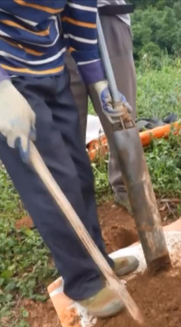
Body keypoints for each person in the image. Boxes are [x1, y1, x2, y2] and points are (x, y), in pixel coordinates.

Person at [0, 0, 138, 317]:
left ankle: (98, 260)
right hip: (2, 68)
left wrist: (96, 78)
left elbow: (81, 8)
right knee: (54, 181)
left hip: (51, 59)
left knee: (79, 170)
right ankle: (83, 279)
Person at [66, 0, 137, 212]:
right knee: (68, 125)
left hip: (105, 16)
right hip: (57, 25)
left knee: (121, 115)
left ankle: (128, 190)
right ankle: (74, 203)